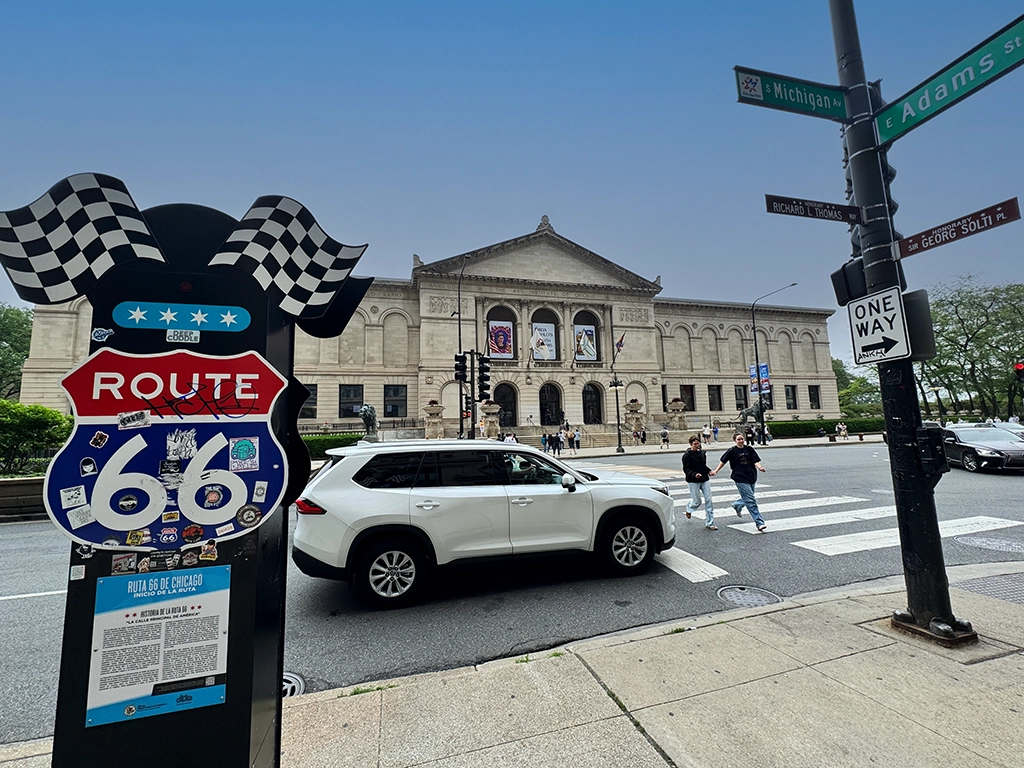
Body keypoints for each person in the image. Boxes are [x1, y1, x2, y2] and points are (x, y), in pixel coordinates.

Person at [710, 432, 768, 532]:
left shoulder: (749, 449)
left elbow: (755, 460)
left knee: (749, 497)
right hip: (740, 477)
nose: (741, 441)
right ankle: (759, 522)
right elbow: (723, 461)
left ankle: (737, 505)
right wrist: (716, 470)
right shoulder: (732, 451)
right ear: (735, 441)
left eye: (742, 439)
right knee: (751, 501)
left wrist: (760, 467)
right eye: (739, 439)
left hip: (751, 476)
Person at [682, 435, 715, 529]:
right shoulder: (687, 455)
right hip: (693, 480)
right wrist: (694, 474)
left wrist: (709, 471)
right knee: (697, 501)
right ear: (691, 444)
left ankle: (710, 522)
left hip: (704, 479)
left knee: (709, 500)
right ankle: (689, 509)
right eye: (695, 444)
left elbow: (703, 465)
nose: (697, 445)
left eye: (698, 443)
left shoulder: (702, 453)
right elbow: (686, 469)